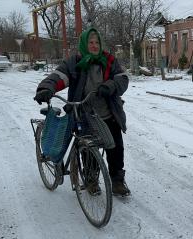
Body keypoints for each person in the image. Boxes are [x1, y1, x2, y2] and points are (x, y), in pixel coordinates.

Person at [33, 27, 131, 197]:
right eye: (90, 42)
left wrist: (111, 85)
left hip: (109, 114)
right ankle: (91, 180)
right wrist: (46, 88)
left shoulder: (109, 60)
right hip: (84, 114)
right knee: (87, 150)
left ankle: (117, 181)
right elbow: (58, 77)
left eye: (97, 42)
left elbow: (122, 78)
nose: (94, 46)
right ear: (84, 44)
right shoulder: (74, 63)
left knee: (116, 149)